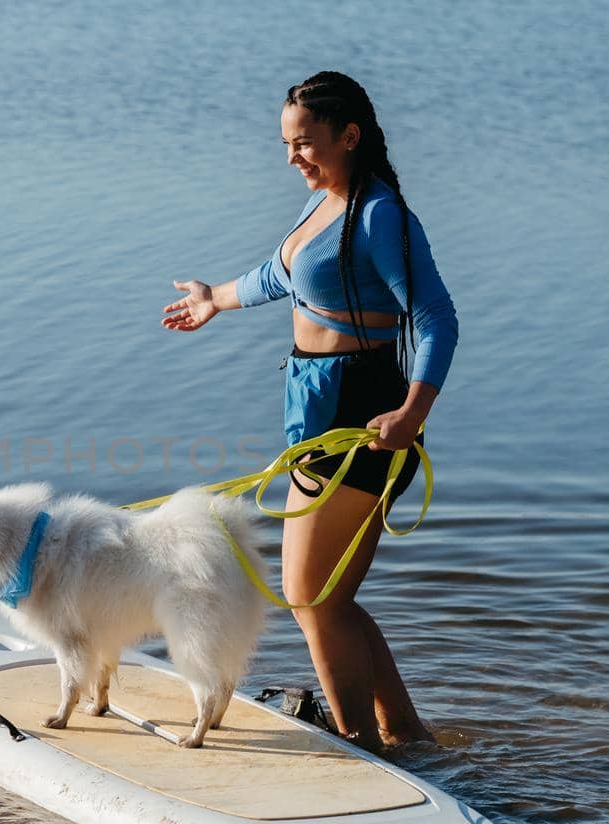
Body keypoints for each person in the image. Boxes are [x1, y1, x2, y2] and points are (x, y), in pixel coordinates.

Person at [159, 71, 457, 752]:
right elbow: (278, 274)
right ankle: (404, 735)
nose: (292, 157)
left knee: (312, 598)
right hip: (317, 412)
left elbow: (437, 317)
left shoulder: (380, 215)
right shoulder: (321, 202)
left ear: (349, 136)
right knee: (325, 598)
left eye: (305, 143)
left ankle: (357, 746)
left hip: (365, 417)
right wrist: (216, 298)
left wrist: (413, 410)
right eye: (287, 144)